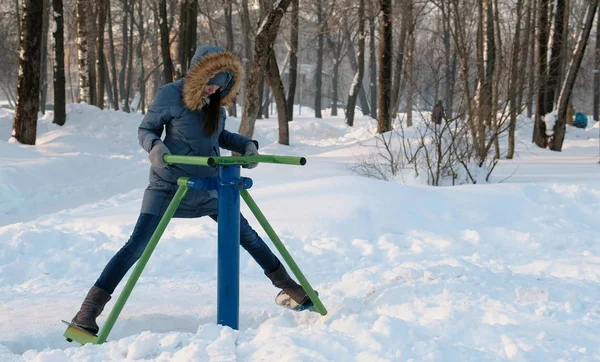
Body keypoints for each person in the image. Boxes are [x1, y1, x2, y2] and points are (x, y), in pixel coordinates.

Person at [71, 46, 310, 335]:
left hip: (209, 188)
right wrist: (155, 147)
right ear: (198, 75)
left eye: (220, 86)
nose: (213, 90)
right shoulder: (169, 95)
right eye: (210, 83)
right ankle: (87, 312)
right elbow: (146, 130)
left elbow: (218, 136)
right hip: (169, 186)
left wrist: (246, 145)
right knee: (137, 245)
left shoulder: (215, 102)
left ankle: (292, 290)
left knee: (249, 237)